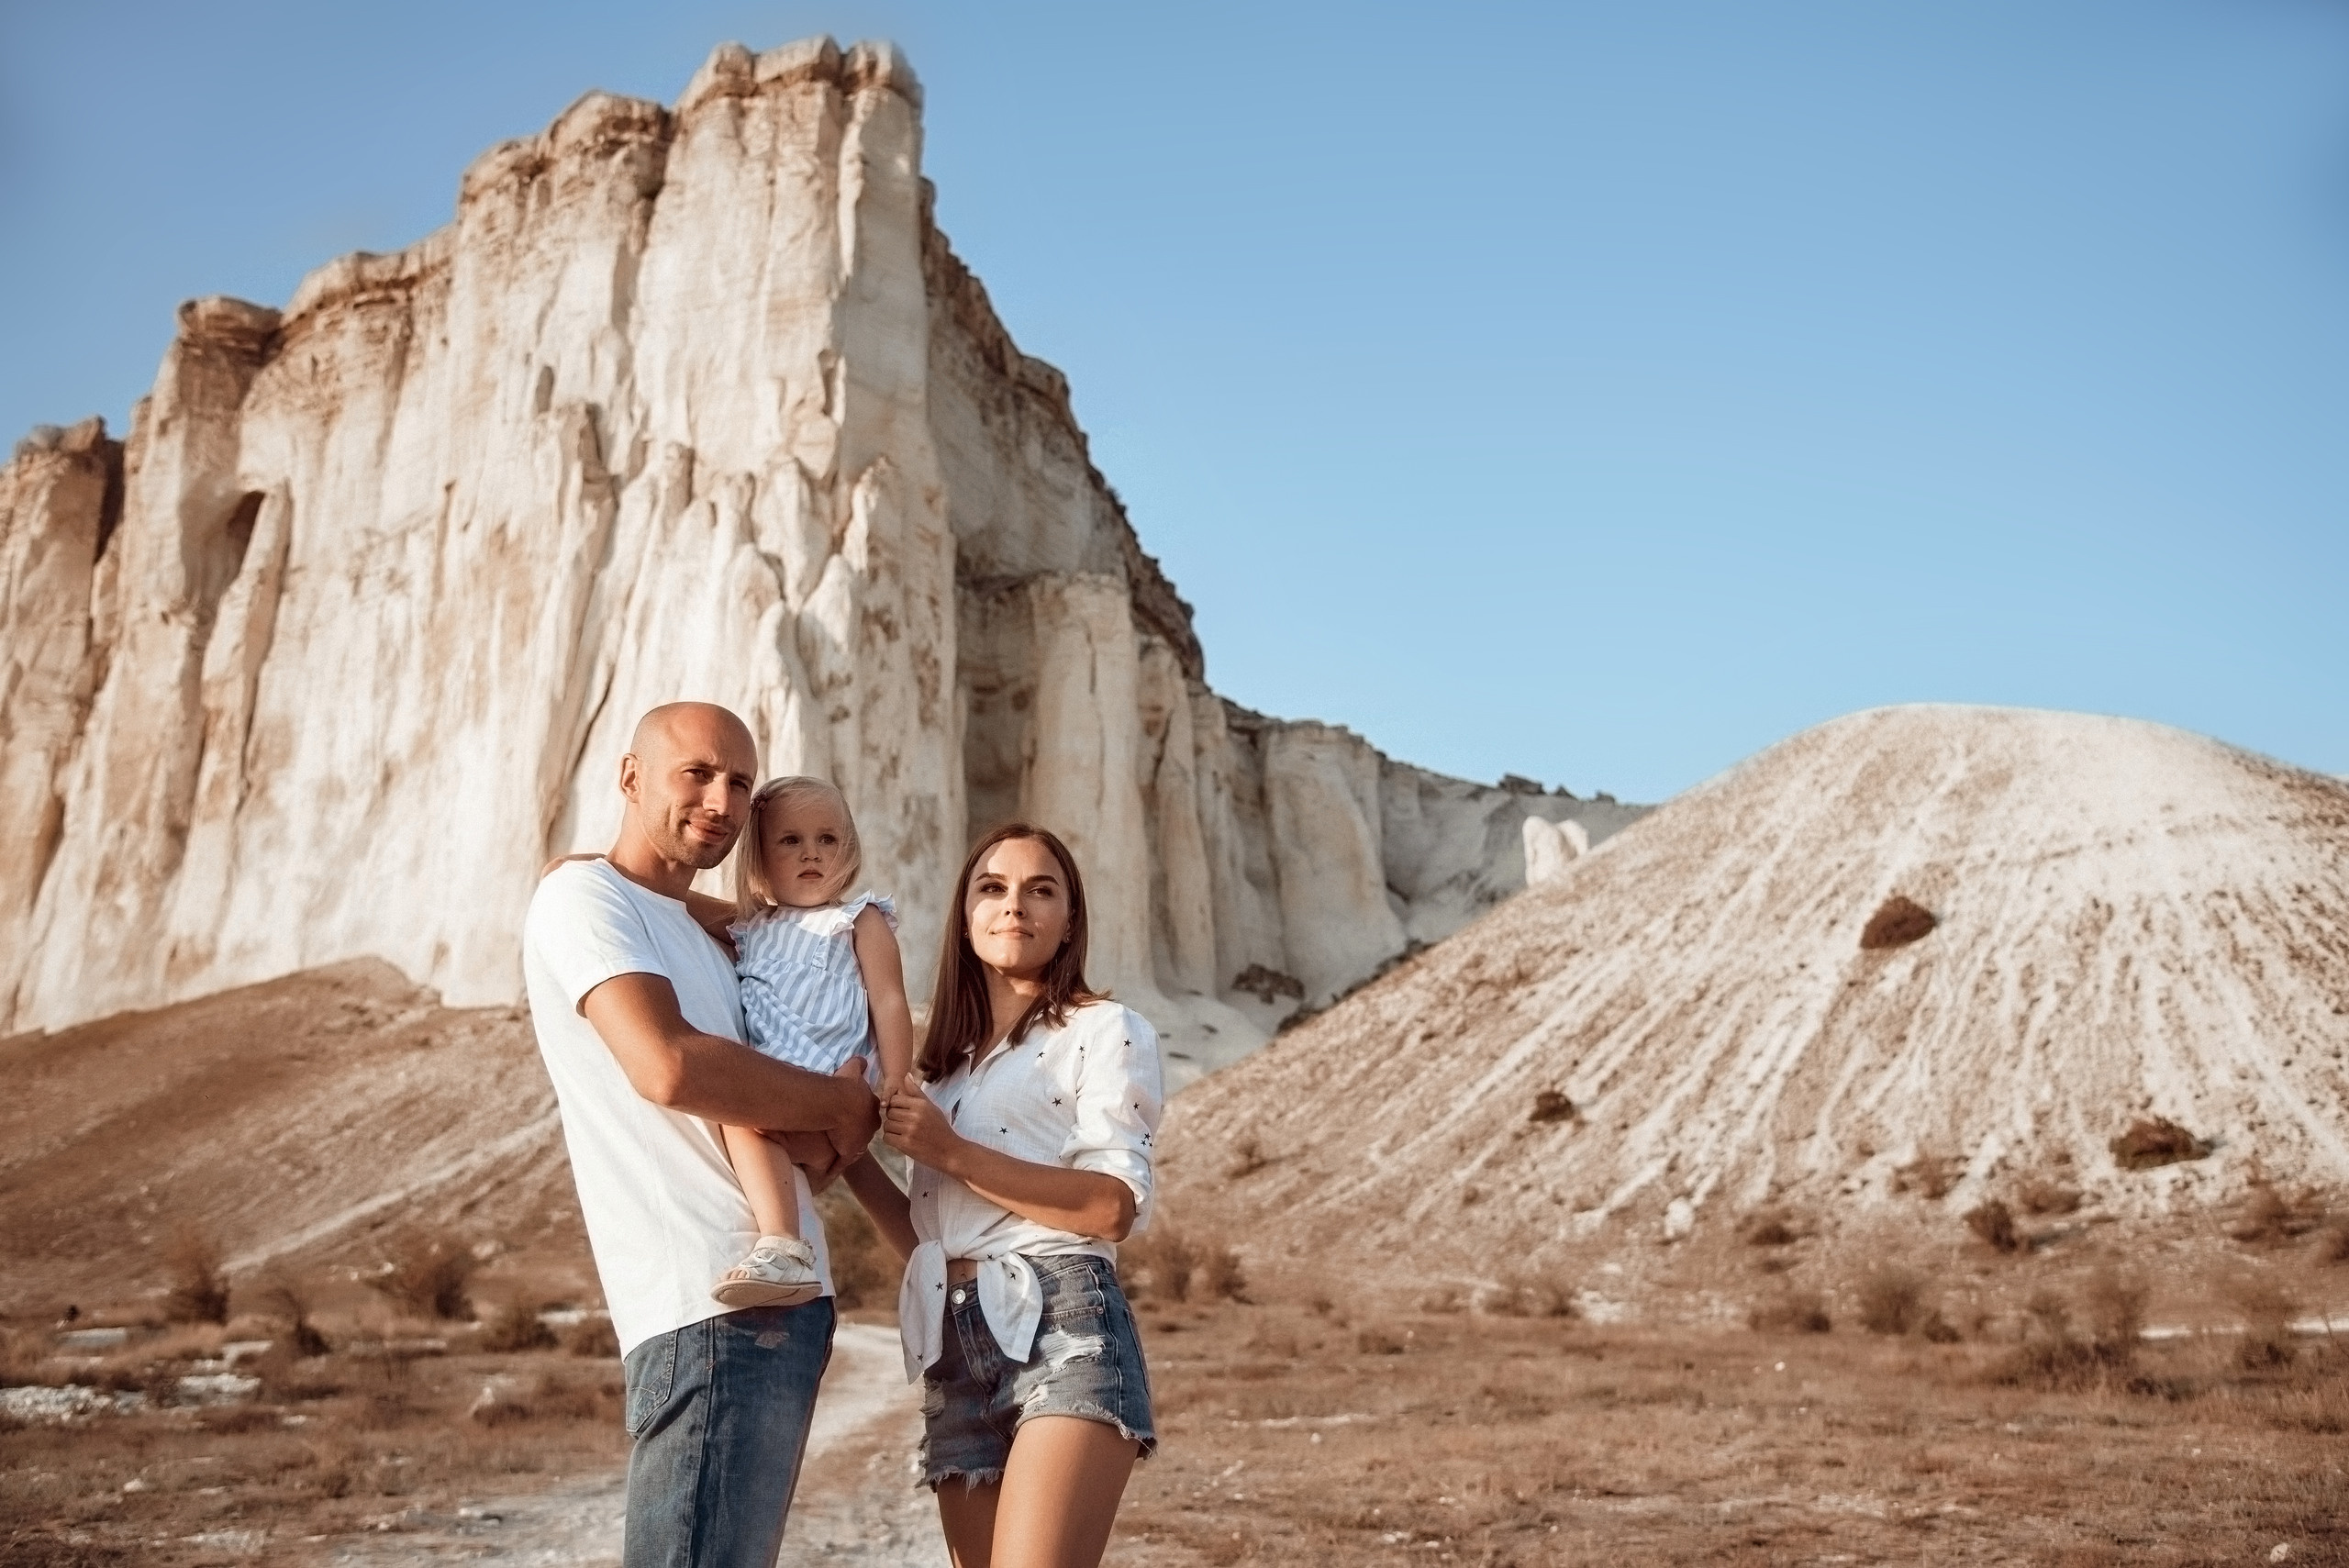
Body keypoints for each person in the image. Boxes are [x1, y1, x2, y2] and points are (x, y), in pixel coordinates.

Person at [521, 702, 880, 1568]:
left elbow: (804, 1145)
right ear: (630, 775)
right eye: (697, 773)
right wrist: (841, 1108)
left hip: (779, 1305)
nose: (721, 800)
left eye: (741, 783)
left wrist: (834, 1125)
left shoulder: (716, 932)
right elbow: (670, 1067)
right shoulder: (584, 896)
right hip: (707, 1303)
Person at [846, 823, 1163, 1568]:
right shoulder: (943, 1069)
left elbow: (1110, 1206)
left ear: (1069, 919)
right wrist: (855, 1158)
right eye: (992, 888)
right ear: (964, 915)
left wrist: (949, 1150)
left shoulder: (1105, 1029)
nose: (1014, 905)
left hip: (1064, 1321)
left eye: (1039, 890)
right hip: (953, 1344)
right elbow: (934, 1241)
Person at [699, 775, 915, 1307]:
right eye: (790, 841)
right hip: (779, 1085)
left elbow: (889, 999)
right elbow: (668, 898)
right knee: (745, 1125)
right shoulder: (750, 925)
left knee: (743, 1119)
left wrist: (895, 1077)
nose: (811, 853)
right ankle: (783, 1244)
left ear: (849, 849)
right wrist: (597, 867)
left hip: (827, 1082)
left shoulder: (858, 920)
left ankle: (783, 1246)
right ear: (758, 858)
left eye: (827, 839)